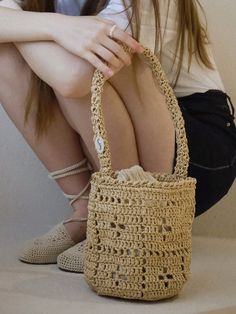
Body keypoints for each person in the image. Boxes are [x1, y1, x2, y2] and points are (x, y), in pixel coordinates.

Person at [0, 0, 235, 272]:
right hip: (125, 135)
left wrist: (19, 22)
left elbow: (73, 78)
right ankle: (88, 210)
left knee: (110, 54)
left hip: (197, 151)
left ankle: (129, 217)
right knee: (6, 53)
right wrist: (56, 26)